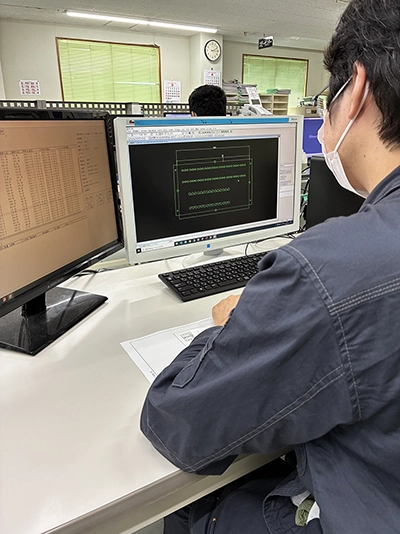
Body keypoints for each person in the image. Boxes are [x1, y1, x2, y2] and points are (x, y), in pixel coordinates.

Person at [141, 0, 400, 532]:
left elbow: (179, 424)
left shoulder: (332, 271)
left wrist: (232, 327)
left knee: (198, 504)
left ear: (355, 88)